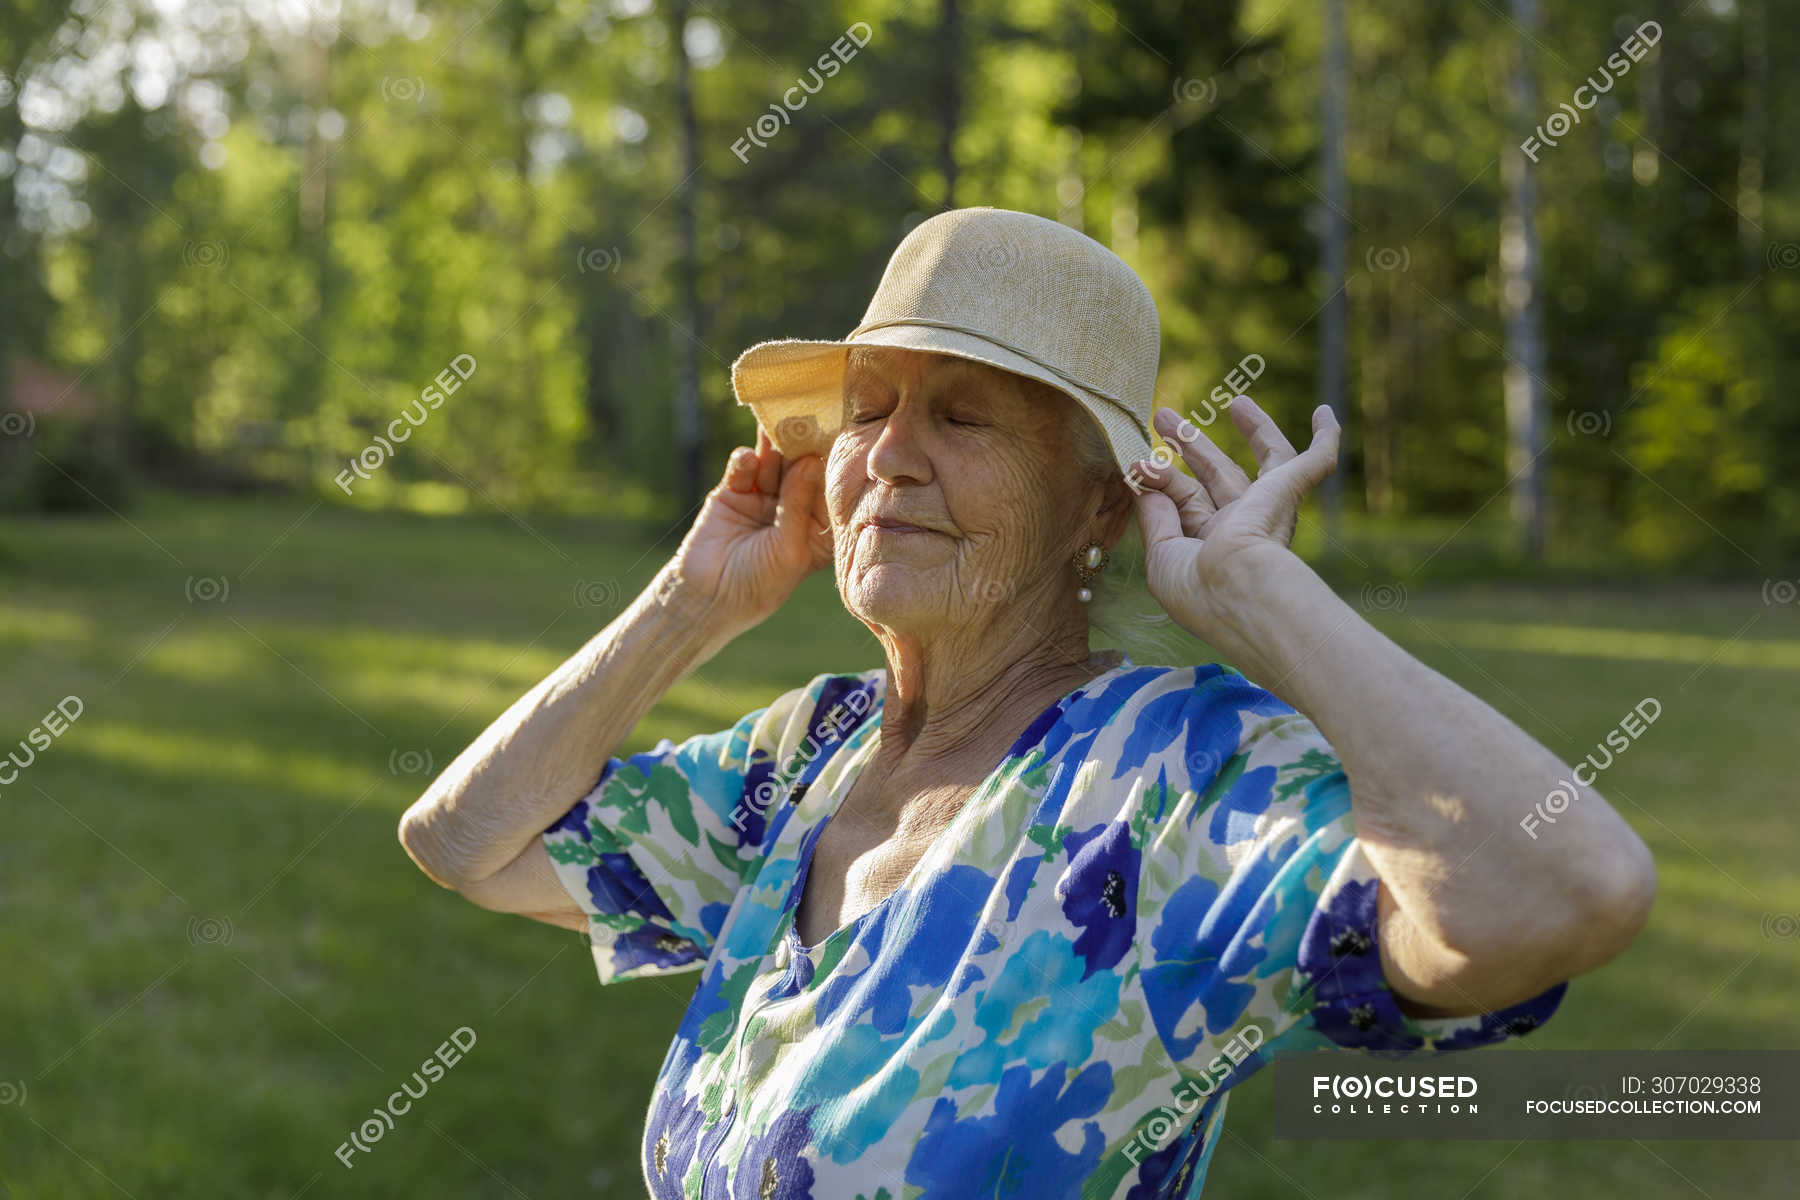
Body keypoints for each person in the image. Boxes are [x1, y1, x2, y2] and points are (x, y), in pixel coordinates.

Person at [398, 208, 1656, 1198]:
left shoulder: (1171, 783)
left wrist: (1265, 599)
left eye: (964, 416)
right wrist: (689, 604)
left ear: (1098, 506)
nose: (889, 454)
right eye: (869, 409)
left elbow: (1563, 886)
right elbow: (464, 841)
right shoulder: (806, 764)